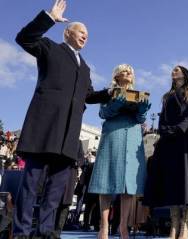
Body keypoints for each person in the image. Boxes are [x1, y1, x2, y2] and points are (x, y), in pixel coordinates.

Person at [13, 1, 111, 237]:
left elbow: (88, 95)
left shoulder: (85, 67)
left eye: (87, 35)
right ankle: (22, 232)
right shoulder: (50, 48)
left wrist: (110, 92)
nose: (85, 37)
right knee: (31, 183)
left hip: (68, 135)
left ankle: (46, 231)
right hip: (44, 128)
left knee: (56, 189)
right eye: (81, 32)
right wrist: (49, 17)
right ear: (67, 32)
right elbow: (24, 38)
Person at [88, 64, 151, 239]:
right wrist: (114, 105)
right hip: (112, 136)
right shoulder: (108, 93)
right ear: (116, 76)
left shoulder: (138, 95)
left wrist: (143, 110)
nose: (128, 73)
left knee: (129, 185)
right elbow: (103, 114)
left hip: (132, 138)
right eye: (124, 71)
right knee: (106, 180)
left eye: (130, 71)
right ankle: (104, 226)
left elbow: (140, 119)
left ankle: (123, 226)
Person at [144, 65, 188, 239]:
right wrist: (164, 131)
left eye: (177, 69)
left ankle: (185, 225)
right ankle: (174, 224)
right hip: (169, 142)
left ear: (185, 73)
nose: (174, 71)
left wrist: (180, 128)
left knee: (186, 181)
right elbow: (162, 116)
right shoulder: (167, 96)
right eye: (172, 70)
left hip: (186, 140)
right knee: (172, 182)